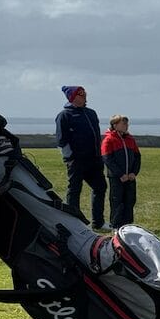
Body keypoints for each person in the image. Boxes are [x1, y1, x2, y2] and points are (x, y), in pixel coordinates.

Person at [54, 85, 106, 228]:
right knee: (75, 189)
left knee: (100, 187)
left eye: (84, 94)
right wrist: (70, 157)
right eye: (80, 95)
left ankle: (98, 222)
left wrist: (99, 155)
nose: (84, 97)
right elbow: (61, 140)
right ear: (72, 97)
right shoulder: (64, 115)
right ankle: (74, 222)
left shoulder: (91, 113)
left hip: (94, 159)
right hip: (77, 161)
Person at [101, 114, 141, 228]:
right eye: (123, 124)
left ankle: (128, 225)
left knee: (130, 200)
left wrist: (134, 172)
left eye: (127, 123)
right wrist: (120, 174)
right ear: (115, 125)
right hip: (117, 177)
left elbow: (137, 156)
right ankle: (116, 225)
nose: (126, 126)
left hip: (130, 177)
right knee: (117, 201)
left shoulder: (130, 139)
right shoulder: (109, 139)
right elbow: (107, 159)